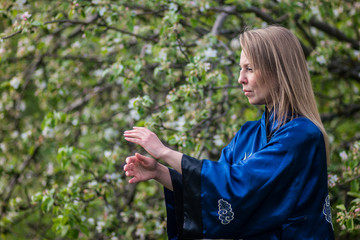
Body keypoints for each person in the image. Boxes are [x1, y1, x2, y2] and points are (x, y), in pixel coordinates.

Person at [123, 26, 335, 239]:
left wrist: (165, 152)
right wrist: (160, 172)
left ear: (278, 71)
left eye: (250, 69)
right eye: (241, 69)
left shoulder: (303, 135)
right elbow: (217, 192)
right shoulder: (247, 134)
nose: (240, 79)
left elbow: (239, 183)